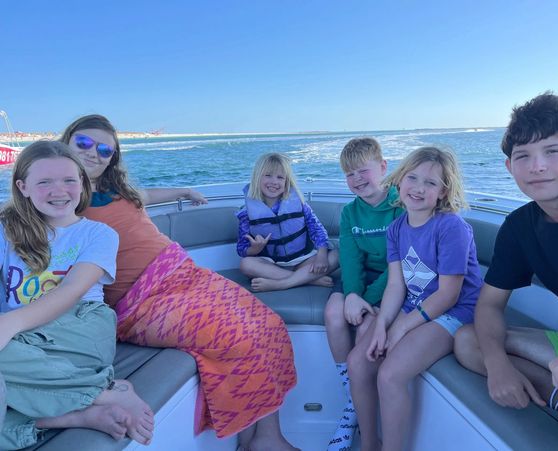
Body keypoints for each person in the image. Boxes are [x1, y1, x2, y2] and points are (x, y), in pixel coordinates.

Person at [59, 115, 298, 451]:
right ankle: (258, 442)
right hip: (142, 303)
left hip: (183, 274)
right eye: (83, 143)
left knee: (268, 323)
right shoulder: (60, 199)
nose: (93, 153)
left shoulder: (115, 190)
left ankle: (263, 438)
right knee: (238, 338)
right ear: (66, 141)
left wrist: (184, 189)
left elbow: (144, 195)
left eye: (104, 149)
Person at [453, 93, 558, 435]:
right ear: (509, 167)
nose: (537, 166)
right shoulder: (520, 228)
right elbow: (489, 304)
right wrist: (497, 364)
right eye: (523, 156)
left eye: (552, 151)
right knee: (467, 341)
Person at [0, 141, 153, 449]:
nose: (59, 190)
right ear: (23, 187)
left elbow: (71, 291)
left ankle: (102, 391)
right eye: (44, 182)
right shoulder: (6, 232)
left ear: (82, 184)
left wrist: (10, 324)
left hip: (80, 329)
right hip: (22, 342)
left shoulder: (98, 234)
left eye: (69, 180)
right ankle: (82, 412)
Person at [348, 146, 482, 451]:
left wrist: (401, 328)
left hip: (456, 312)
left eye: (431, 183)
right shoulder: (396, 228)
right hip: (416, 305)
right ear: (399, 180)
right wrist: (382, 324)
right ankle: (369, 443)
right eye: (413, 178)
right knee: (358, 362)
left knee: (390, 374)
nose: (419, 188)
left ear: (443, 191)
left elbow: (449, 294)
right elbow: (396, 285)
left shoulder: (451, 227)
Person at [323, 137, 403, 451]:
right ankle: (351, 404)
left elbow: (399, 267)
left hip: (394, 282)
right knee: (334, 311)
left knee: (366, 326)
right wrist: (353, 294)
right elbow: (350, 258)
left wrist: (366, 300)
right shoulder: (349, 213)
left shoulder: (401, 205)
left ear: (382, 167)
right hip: (361, 282)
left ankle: (359, 402)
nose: (356, 180)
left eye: (363, 171)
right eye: (349, 174)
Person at [237, 152, 338, 292]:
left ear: (287, 182)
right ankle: (310, 279)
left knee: (336, 255)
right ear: (257, 177)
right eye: (268, 175)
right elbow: (242, 249)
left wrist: (321, 255)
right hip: (271, 265)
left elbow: (317, 230)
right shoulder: (246, 213)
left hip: (302, 260)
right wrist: (255, 249)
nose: (274, 181)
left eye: (280, 177)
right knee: (246, 264)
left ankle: (282, 283)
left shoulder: (300, 204)